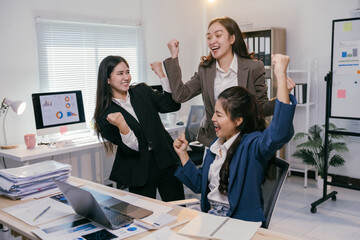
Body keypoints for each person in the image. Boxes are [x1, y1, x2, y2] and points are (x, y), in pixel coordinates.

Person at [172, 54, 296, 223]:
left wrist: (280, 77)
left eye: (219, 115)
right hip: (210, 216)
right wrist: (183, 154)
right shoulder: (216, 145)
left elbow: (278, 133)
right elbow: (199, 184)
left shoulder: (252, 145)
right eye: (214, 113)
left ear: (238, 120)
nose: (213, 119)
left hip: (237, 222)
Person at [151, 16, 295, 147]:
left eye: (218, 35)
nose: (212, 41)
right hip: (214, 141)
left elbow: (262, 108)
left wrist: (284, 94)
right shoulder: (205, 69)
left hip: (245, 140)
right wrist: (174, 56)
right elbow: (180, 95)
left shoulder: (253, 67)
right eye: (209, 37)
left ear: (232, 39)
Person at [93, 56, 185, 201]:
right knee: (144, 216)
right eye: (120, 73)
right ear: (108, 79)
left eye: (127, 72)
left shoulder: (142, 90)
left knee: (179, 209)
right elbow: (133, 148)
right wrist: (123, 126)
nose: (126, 77)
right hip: (139, 170)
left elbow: (171, 105)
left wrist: (161, 74)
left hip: (165, 160)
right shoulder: (105, 115)